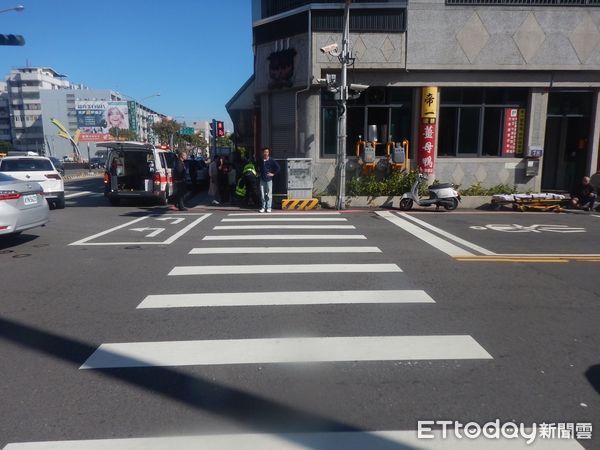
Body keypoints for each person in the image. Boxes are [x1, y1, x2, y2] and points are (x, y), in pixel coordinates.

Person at [257, 147, 280, 213]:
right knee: (262, 194)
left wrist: (273, 174)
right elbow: (257, 166)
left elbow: (278, 167)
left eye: (267, 152)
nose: (265, 153)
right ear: (262, 153)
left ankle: (269, 207)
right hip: (262, 179)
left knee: (269, 194)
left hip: (269, 179)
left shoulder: (271, 160)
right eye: (264, 152)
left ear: (268, 153)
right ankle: (263, 207)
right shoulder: (260, 160)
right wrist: (258, 173)